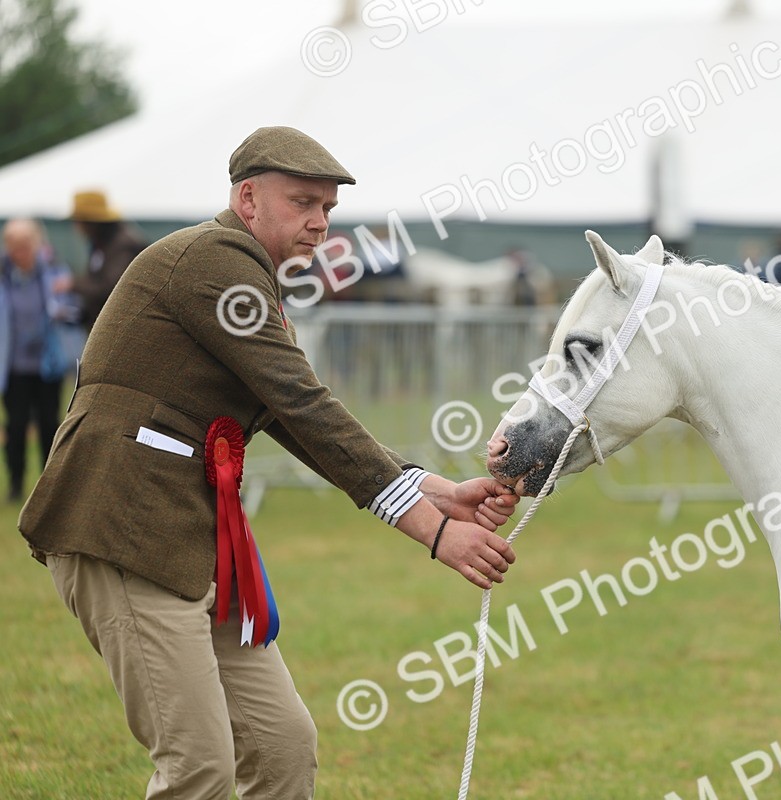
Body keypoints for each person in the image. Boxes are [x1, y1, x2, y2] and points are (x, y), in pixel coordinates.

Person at [19, 126, 520, 799]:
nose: (319, 223)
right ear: (247, 197)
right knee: (199, 766)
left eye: (328, 209)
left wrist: (433, 489)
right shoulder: (217, 259)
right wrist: (433, 530)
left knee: (283, 746)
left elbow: (291, 413)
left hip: (181, 534)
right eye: (303, 202)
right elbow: (302, 405)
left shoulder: (241, 273)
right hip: (121, 528)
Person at [0, 219, 80, 501]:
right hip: (13, 367)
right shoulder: (4, 276)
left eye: (24, 245)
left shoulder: (55, 273)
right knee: (16, 425)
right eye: (14, 246)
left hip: (49, 365)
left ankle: (48, 486)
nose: (19, 252)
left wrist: (61, 308)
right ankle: (15, 484)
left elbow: (74, 310)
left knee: (50, 424)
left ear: (36, 244)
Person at [59, 189, 147, 327]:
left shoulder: (123, 246)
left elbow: (111, 288)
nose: (76, 227)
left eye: (78, 221)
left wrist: (73, 284)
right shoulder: (101, 244)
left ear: (90, 222)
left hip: (120, 327)